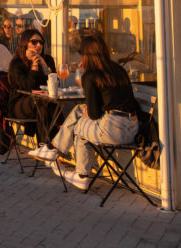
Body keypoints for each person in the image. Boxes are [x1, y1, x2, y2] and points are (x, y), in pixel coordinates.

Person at [34, 34, 141, 190]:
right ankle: (53, 149)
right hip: (132, 127)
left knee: (78, 129)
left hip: (113, 130)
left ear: (86, 55)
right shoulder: (118, 69)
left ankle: (79, 174)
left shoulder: (90, 75)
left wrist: (85, 82)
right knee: (78, 111)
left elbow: (94, 114)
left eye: (81, 53)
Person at [0, 30, 56, 151]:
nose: (39, 45)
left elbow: (54, 83)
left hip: (41, 101)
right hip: (19, 104)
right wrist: (34, 66)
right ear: (25, 44)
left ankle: (48, 146)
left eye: (41, 42)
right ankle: (47, 145)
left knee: (50, 104)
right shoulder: (17, 63)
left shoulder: (47, 60)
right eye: (34, 42)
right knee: (42, 103)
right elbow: (28, 85)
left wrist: (43, 65)